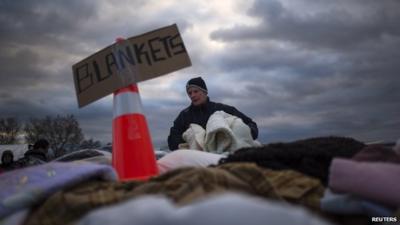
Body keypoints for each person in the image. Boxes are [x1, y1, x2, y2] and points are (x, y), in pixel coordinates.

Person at [168, 76, 258, 150]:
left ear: (205, 92)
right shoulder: (184, 116)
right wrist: (191, 140)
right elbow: (173, 139)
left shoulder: (222, 109)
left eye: (196, 91)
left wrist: (238, 136)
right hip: (197, 160)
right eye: (189, 93)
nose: (192, 95)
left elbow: (250, 124)